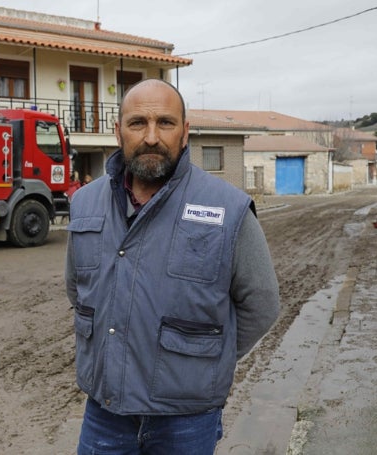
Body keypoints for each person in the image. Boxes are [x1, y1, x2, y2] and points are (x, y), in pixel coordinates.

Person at [65, 79, 280, 454]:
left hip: (186, 418)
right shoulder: (85, 204)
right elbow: (77, 289)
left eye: (165, 122)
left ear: (185, 134)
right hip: (105, 412)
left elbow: (261, 304)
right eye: (137, 124)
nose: (151, 137)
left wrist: (200, 360)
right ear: (118, 132)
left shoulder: (227, 209)